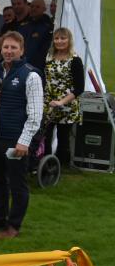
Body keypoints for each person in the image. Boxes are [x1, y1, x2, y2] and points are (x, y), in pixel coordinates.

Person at [0, 31, 43, 239]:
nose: (9, 51)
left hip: (15, 139)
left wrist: (24, 142)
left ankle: (13, 226)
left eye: (14, 47)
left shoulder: (31, 75)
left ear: (21, 50)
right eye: (6, 47)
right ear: (0, 49)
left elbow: (35, 114)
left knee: (17, 184)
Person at [43, 27, 84, 167]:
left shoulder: (75, 60)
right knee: (45, 136)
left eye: (63, 38)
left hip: (67, 105)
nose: (59, 41)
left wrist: (62, 102)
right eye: (57, 38)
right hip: (49, 104)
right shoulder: (49, 56)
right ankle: (45, 165)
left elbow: (79, 88)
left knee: (63, 139)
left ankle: (58, 168)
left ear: (69, 40)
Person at [18, 0, 53, 71]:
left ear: (44, 9)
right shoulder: (23, 25)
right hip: (21, 65)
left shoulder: (48, 27)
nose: (34, 9)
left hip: (38, 67)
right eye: (32, 6)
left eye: (37, 7)